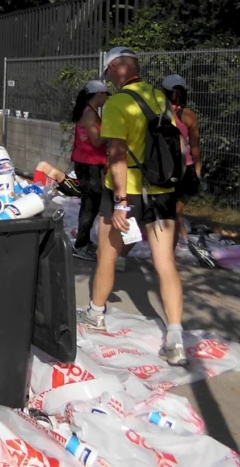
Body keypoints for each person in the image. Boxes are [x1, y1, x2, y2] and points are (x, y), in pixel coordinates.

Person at [81, 47, 187, 366]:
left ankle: (96, 313)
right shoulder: (161, 99)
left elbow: (116, 154)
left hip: (126, 191)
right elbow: (176, 144)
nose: (109, 78)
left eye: (109, 72)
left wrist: (120, 203)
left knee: (107, 255)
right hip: (162, 190)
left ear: (117, 69)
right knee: (165, 262)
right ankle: (176, 338)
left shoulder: (117, 103)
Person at [70, 80, 110, 262]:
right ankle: (81, 245)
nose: (106, 99)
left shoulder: (89, 112)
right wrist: (112, 132)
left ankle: (83, 241)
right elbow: (97, 141)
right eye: (105, 95)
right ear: (98, 95)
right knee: (90, 204)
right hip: (88, 164)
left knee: (91, 203)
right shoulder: (90, 115)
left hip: (88, 163)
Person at [163, 74, 201, 247]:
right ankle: (177, 245)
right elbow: (195, 146)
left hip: (164, 169)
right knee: (176, 210)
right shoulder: (188, 115)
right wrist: (198, 169)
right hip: (186, 167)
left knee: (169, 212)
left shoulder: (157, 113)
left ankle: (169, 252)